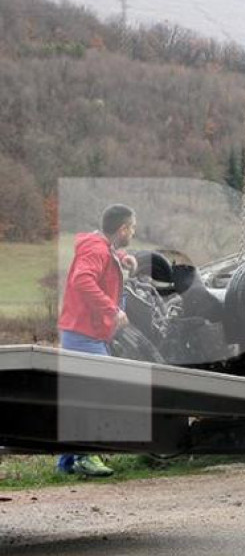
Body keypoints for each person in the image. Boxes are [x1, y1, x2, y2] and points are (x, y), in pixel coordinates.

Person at [56, 204, 136, 477]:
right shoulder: (96, 249)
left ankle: (67, 462)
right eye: (132, 228)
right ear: (122, 228)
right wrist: (112, 310)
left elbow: (105, 255)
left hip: (87, 333)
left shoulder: (103, 247)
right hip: (83, 334)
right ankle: (85, 456)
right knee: (99, 391)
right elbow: (82, 280)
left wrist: (123, 258)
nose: (133, 232)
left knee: (83, 392)